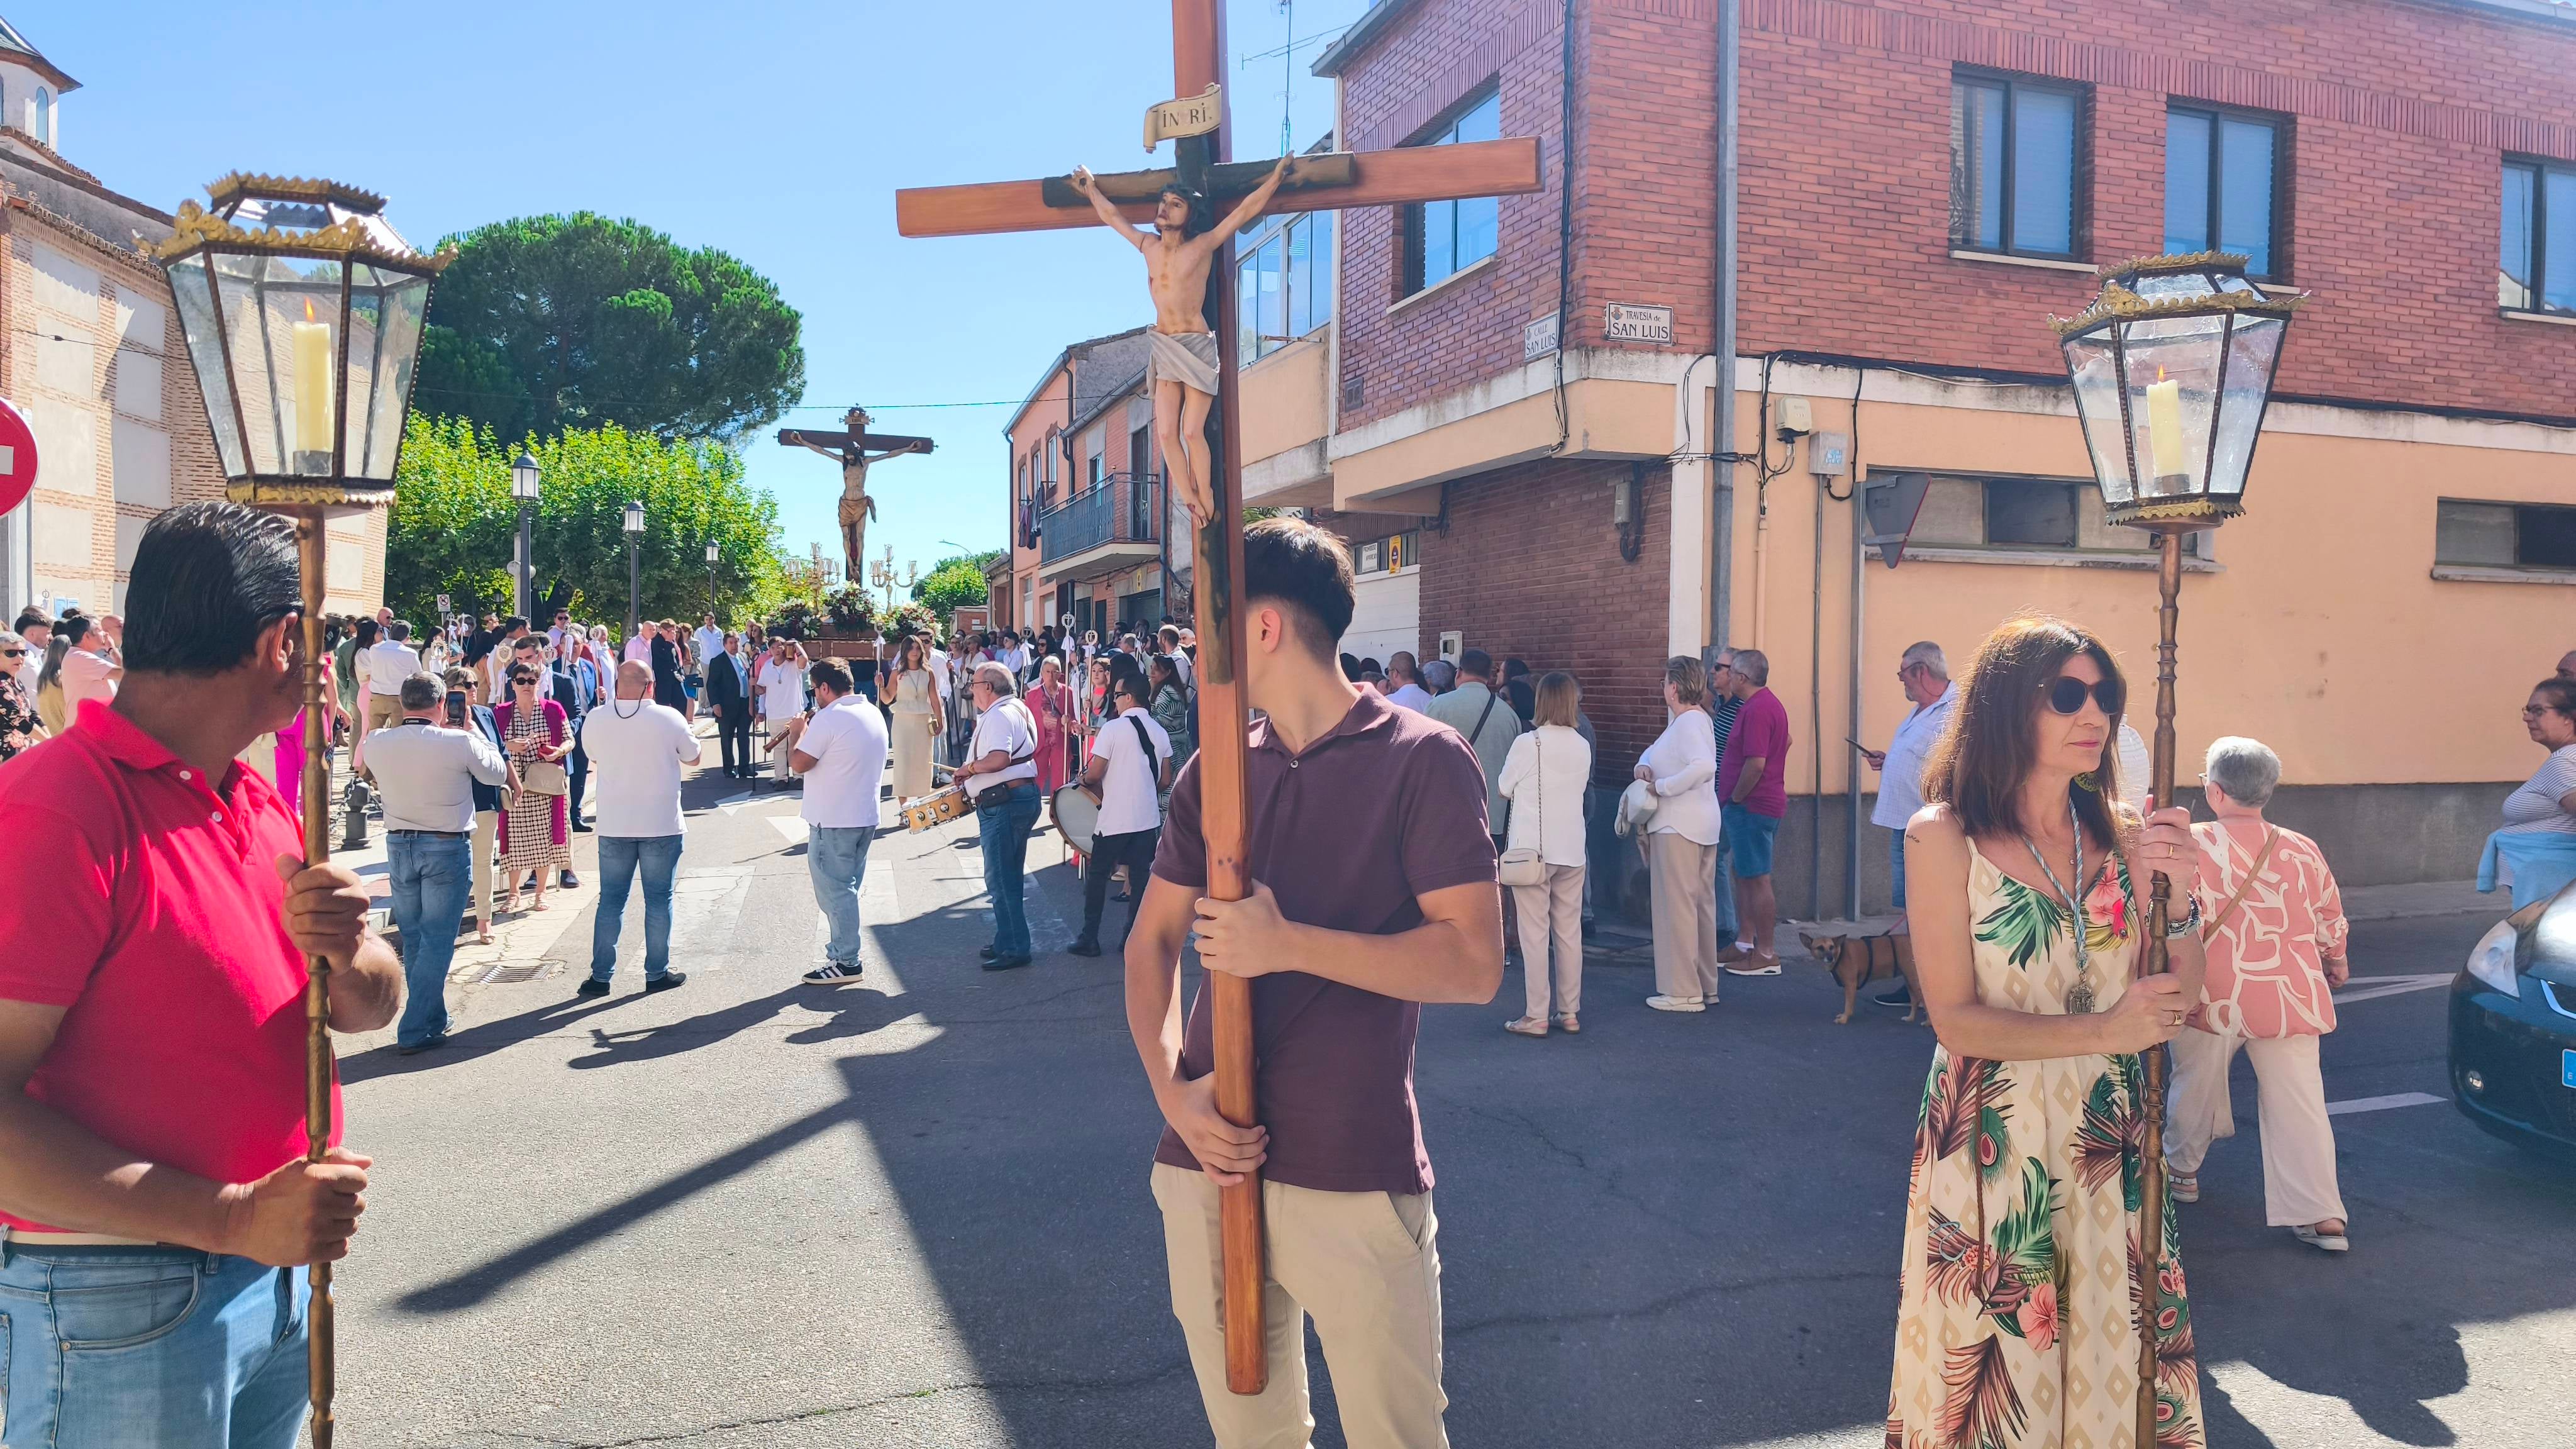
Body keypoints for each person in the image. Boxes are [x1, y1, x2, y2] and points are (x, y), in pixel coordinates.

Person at [0, 501, 401, 1444]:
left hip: (266, 1272)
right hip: (118, 1291)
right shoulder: (59, 809)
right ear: (281, 642)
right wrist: (232, 1218)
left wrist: (349, 951)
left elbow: (371, 1004)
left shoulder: (252, 797)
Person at [1125, 518, 1499, 1446]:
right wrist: (1172, 1092)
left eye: (1211, 624)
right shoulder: (1216, 770)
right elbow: (1151, 944)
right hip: (1207, 1159)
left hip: (1353, 1171)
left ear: (1262, 628)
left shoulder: (1422, 758)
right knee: (1249, 1438)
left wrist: (1288, 943)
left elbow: (1474, 964)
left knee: (1394, 1436)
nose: (1196, 648)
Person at [1885, 614, 2206, 1449]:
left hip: (2109, 1142)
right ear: (2007, 706)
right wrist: (2108, 1027)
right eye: (2067, 695)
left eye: (2105, 696)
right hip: (1998, 1145)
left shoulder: (2127, 834)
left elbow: (2179, 998)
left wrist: (2183, 900)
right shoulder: (1942, 835)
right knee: (2001, 1385)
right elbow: (1954, 1019)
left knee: (2112, 1356)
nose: (2094, 714)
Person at [2165, 736, 2352, 1252]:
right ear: (2268, 791)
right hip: (2291, 993)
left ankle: (2182, 1172)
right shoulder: (2302, 847)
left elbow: (2175, 916)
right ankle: (2321, 1215)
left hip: (2212, 990)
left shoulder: (2194, 843)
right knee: (2300, 1102)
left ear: (2214, 790)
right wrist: (2336, 959)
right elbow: (2329, 914)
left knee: (2195, 1082)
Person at [1069, 153, 1290, 523]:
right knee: (1167, 432)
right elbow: (1113, 217)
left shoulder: (1201, 246)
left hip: (1197, 346)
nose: (1165, 208)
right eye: (1164, 202)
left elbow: (1245, 211)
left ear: (1189, 215)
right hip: (1166, 346)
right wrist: (1091, 188)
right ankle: (1189, 498)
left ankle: (1206, 493)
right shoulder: (1149, 247)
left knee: (1192, 430)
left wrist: (1277, 178)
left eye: (1175, 204)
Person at [359, 672, 513, 1053]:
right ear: (442, 704)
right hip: (445, 846)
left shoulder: (378, 741)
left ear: (403, 703)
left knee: (416, 938)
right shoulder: (458, 741)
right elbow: (495, 773)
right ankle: (414, 1026)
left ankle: (433, 1017)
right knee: (438, 940)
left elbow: (366, 760)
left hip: (400, 845)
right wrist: (472, 730)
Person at [578, 660, 700, 996]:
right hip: (660, 822)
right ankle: (656, 973)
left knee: (611, 901)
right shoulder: (669, 717)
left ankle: (600, 977)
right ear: (651, 686)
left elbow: (593, 755)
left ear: (618, 683)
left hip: (615, 823)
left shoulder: (596, 717)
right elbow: (693, 757)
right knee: (659, 901)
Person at [1859, 641, 1956, 1009]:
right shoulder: (1921, 711)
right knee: (1910, 907)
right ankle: (1917, 984)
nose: (1901, 680)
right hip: (1905, 823)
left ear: (1921, 672)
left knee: (1927, 909)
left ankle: (1931, 987)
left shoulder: (1954, 711)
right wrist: (1891, 761)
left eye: (1903, 673)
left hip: (1930, 829)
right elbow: (1923, 761)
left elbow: (1954, 769)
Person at [1499, 670, 1591, 1035]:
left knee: (1534, 933)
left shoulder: (1528, 742)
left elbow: (1504, 787)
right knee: (1568, 932)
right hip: (1572, 848)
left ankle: (1536, 1014)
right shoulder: (1582, 744)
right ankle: (1569, 1011)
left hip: (1533, 851)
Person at [791, 658, 890, 985]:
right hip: (864, 816)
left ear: (824, 688)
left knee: (835, 894)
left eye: (814, 690)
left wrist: (797, 733)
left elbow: (799, 763)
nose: (814, 697)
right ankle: (841, 955)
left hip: (833, 820)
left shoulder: (829, 717)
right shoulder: (872, 711)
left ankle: (847, 961)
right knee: (846, 890)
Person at [1637, 655, 1724, 1013]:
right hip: (1701, 823)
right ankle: (1704, 985)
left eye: (1664, 683)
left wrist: (1662, 787)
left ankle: (1682, 991)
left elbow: (1704, 766)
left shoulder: (1686, 723)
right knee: (1700, 907)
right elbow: (1656, 752)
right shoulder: (1695, 720)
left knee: (1676, 909)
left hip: (1677, 826)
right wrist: (1644, 764)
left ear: (1673, 688)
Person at [1070, 667, 1171, 958]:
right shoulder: (1160, 731)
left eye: (1117, 695)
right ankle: (1132, 938)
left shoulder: (1113, 729)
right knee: (1140, 880)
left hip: (1114, 819)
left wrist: (1083, 779)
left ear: (1129, 697)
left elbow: (1095, 773)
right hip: (1147, 819)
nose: (1113, 700)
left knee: (1098, 876)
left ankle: (1090, 938)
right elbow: (1165, 780)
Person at [962, 660, 1042, 969]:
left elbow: (998, 759)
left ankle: (1015, 947)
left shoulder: (999, 714)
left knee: (1000, 879)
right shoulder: (1018, 708)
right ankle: (1006, 938)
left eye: (975, 685)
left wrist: (969, 768)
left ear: (988, 687)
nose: (972, 691)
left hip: (1005, 801)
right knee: (1009, 876)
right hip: (1018, 797)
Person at [1716, 647, 1789, 975]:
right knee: (1744, 874)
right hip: (1750, 806)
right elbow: (1784, 743)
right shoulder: (1760, 705)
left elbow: (1756, 764)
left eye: (1731, 672)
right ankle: (1745, 943)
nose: (1727, 677)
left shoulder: (1758, 709)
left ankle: (1766, 953)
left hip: (1752, 806)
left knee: (1757, 878)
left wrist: (1736, 797)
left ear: (1743, 678)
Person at [2479, 675, 2576, 909]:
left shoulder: (2562, 763)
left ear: (2570, 717)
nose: (2527, 718)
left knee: (2538, 934)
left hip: (2549, 883)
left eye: (2539, 711)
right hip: (2548, 881)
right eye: (2528, 710)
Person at [494, 660, 574, 914]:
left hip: (544, 783)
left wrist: (558, 751)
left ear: (539, 683)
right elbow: (491, 745)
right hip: (514, 782)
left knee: (544, 839)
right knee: (513, 838)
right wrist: (509, 746)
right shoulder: (501, 712)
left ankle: (541, 892)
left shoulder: (553, 709)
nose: (526, 685)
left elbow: (570, 739)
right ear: (513, 685)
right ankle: (513, 892)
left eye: (531, 681)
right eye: (521, 681)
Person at [1426, 648, 1522, 855]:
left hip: (1448, 812)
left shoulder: (1438, 706)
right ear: (1489, 676)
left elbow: (1424, 757)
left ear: (1459, 672)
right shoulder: (1509, 715)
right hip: (1494, 815)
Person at [446, 667, 509, 945]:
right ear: (450, 690)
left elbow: (500, 751)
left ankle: (485, 919)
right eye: (466, 684)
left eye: (475, 683)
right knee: (453, 864)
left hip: (484, 796)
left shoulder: (485, 714)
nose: (474, 688)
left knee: (483, 860)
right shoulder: (439, 719)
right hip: (452, 799)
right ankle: (451, 920)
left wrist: (514, 782)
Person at [887, 634, 943, 804]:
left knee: (923, 762)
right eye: (911, 648)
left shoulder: (928, 673)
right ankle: (904, 808)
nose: (915, 651)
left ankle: (921, 805)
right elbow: (887, 698)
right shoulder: (897, 673)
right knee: (903, 762)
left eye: (918, 648)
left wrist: (940, 721)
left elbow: (935, 699)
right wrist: (880, 685)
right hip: (902, 723)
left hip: (922, 722)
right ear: (905, 651)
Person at [753, 635, 810, 786]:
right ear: (770, 650)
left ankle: (799, 776)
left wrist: (796, 645)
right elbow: (762, 690)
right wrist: (754, 685)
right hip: (775, 714)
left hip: (794, 713)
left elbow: (805, 660)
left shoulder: (793, 664)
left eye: (779, 647)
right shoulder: (767, 667)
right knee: (779, 748)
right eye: (773, 648)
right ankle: (781, 778)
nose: (776, 650)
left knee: (797, 745)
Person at [705, 629, 757, 778]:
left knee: (744, 736)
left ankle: (744, 767)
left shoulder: (743, 657)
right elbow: (712, 684)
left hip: (744, 703)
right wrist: (715, 704)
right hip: (726, 706)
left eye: (736, 642)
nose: (734, 645)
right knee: (727, 737)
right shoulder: (718, 661)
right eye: (731, 643)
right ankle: (729, 768)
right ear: (725, 644)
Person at [57, 612, 125, 721]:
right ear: (87, 636)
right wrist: (113, 651)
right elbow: (124, 675)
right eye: (99, 630)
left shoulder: (80, 656)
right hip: (86, 728)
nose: (105, 634)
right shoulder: (79, 657)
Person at [360, 616, 419, 738]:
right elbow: (418, 675)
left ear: (390, 633)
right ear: (407, 638)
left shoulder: (375, 649)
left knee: (373, 735)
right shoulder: (410, 653)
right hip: (398, 699)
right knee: (398, 736)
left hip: (377, 697)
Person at [1030, 653, 1075, 797]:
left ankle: (1057, 808)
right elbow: (1028, 721)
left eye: (1054, 672)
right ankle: (1033, 806)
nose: (1050, 675)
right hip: (1040, 743)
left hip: (1060, 741)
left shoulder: (1068, 692)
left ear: (1060, 674)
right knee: (1036, 780)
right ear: (1042, 673)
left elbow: (1074, 717)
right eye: (1047, 671)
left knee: (1060, 782)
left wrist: (1069, 722)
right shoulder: (1032, 694)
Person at [0, 630, 43, 761]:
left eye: (22, 652)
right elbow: (20, 721)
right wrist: (50, 741)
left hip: (21, 754)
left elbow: (31, 713)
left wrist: (51, 737)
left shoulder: (15, 682)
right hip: (6, 759)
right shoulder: (2, 686)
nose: (19, 657)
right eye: (11, 653)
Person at [1149, 650, 1196, 765]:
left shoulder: (1168, 692)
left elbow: (1160, 722)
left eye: (1157, 669)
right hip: (1174, 746)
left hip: (1173, 750)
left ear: (1168, 672)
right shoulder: (1168, 689)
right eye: (1151, 668)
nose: (1152, 672)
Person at [650, 621, 688, 712]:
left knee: (682, 703)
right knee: (663, 706)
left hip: (675, 678)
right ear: (664, 631)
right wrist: (668, 643)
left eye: (675, 631)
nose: (674, 634)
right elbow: (665, 657)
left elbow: (676, 659)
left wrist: (681, 672)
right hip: (663, 680)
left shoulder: (673, 641)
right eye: (672, 631)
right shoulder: (656, 642)